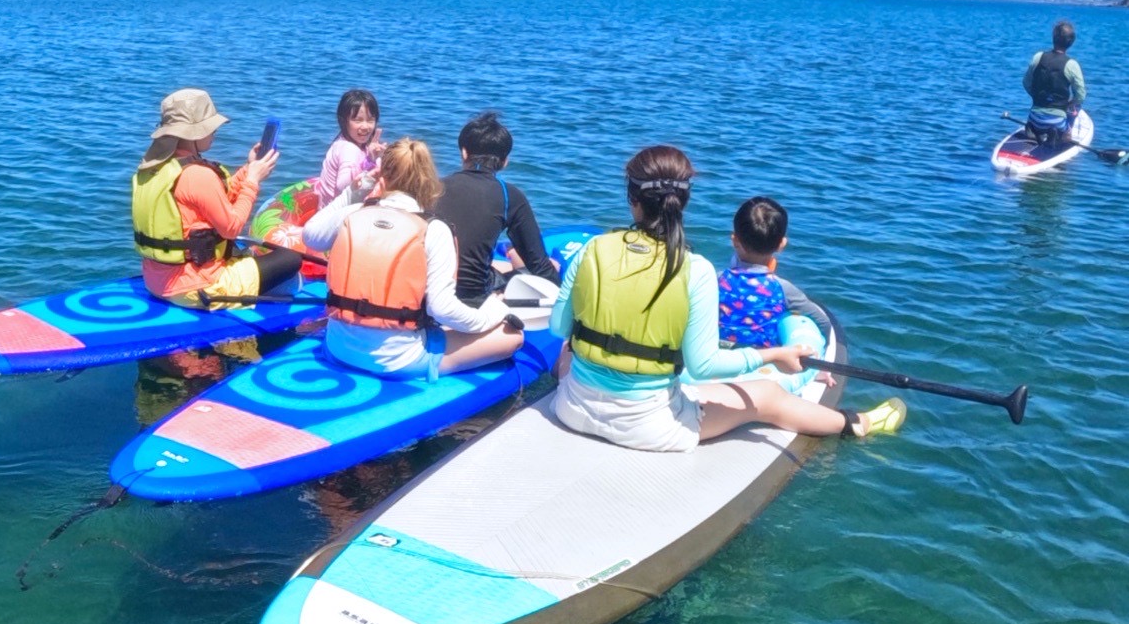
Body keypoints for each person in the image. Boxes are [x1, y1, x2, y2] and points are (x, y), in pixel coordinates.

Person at [549, 144, 905, 452]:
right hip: (649, 428)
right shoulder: (696, 269)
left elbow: (557, 326)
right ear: (683, 202)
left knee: (569, 351)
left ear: (632, 199)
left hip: (571, 409)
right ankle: (857, 423)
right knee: (766, 395)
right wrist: (776, 355)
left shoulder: (592, 248)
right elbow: (704, 367)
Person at [300, 137, 530, 379]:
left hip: (338, 349)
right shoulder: (434, 229)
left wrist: (355, 190)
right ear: (427, 180)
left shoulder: (353, 214)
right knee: (511, 336)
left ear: (383, 177)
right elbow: (441, 309)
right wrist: (494, 313)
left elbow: (311, 234)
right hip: (397, 361)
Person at [131, 88, 301, 305]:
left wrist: (250, 168)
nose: (215, 132)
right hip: (197, 288)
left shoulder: (153, 169)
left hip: (155, 282)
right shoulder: (198, 175)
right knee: (290, 259)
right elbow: (231, 228)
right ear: (195, 133)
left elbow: (216, 198)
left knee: (246, 252)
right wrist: (253, 182)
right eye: (211, 128)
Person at [429, 111, 559, 309]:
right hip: (472, 298)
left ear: (464, 152)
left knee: (499, 266)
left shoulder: (432, 188)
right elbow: (539, 265)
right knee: (546, 266)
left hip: (429, 289)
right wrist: (566, 298)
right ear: (505, 161)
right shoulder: (510, 196)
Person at [717, 195, 833, 397]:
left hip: (720, 361)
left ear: (734, 240)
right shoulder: (782, 288)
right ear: (782, 244)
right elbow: (822, 322)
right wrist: (820, 367)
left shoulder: (713, 280)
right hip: (763, 367)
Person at [315, 89, 383, 207]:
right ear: (343, 121)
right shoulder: (349, 149)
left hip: (332, 210)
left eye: (370, 120)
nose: (365, 126)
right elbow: (342, 186)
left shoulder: (349, 142)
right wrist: (369, 161)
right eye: (358, 120)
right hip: (336, 216)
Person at [1023, 21, 1085, 133]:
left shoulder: (1038, 57)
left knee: (1038, 115)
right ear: (1071, 42)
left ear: (1053, 38)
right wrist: (1069, 103)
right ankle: (1065, 133)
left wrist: (1037, 96)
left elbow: (1026, 83)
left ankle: (1033, 129)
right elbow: (1080, 96)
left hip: (1035, 118)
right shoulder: (1072, 65)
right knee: (1077, 106)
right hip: (1057, 122)